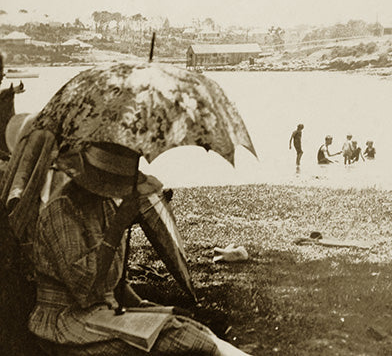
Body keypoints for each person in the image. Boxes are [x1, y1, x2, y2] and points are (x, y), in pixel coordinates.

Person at [30, 142, 251, 355]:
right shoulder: (62, 211)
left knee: (194, 329)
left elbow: (116, 283)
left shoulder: (103, 205)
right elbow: (86, 288)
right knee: (194, 342)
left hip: (102, 316)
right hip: (66, 325)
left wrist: (148, 307)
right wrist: (117, 228)